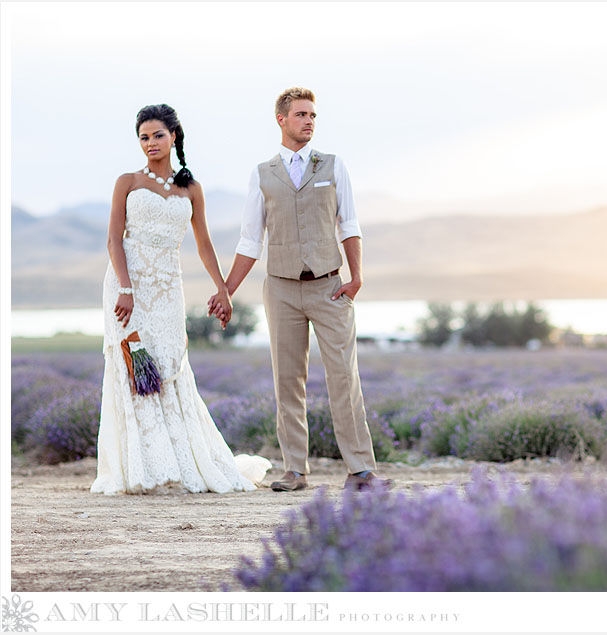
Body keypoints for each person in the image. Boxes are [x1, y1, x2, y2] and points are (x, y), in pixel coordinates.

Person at [211, 86, 389, 491]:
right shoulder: (262, 174)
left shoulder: (332, 165)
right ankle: (295, 470)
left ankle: (360, 470)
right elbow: (249, 241)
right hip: (281, 290)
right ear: (282, 119)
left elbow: (349, 224)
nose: (309, 121)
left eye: (313, 116)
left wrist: (355, 277)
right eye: (301, 115)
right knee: (287, 380)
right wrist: (226, 291)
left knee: (344, 377)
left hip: (330, 287)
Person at [91, 104, 271, 495]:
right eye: (143, 137)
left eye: (157, 135)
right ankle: (142, 467)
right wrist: (125, 286)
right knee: (133, 365)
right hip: (129, 286)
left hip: (168, 288)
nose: (150, 143)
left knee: (169, 363)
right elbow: (113, 240)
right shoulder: (127, 181)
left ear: (174, 136)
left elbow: (203, 244)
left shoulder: (191, 188)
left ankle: (180, 462)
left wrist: (222, 288)